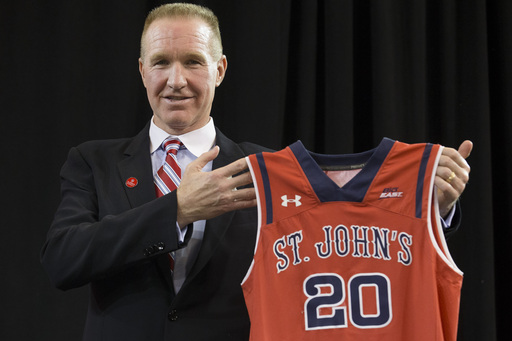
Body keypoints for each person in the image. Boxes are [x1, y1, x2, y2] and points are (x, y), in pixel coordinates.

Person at [41, 3, 472, 341]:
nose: (175, 80)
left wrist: (431, 210)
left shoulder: (269, 170)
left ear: (220, 70)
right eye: (160, 62)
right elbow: (63, 258)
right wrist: (177, 210)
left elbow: (343, 233)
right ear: (141, 70)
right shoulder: (92, 161)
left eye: (193, 61)